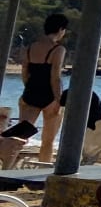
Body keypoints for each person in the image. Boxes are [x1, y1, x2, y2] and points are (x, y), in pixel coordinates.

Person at [18, 13, 67, 163]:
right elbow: (55, 77)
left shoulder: (30, 48)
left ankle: (8, 167)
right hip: (50, 97)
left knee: (19, 137)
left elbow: (25, 72)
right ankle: (42, 169)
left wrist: (29, 88)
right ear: (61, 29)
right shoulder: (58, 49)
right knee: (48, 141)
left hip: (30, 94)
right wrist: (59, 100)